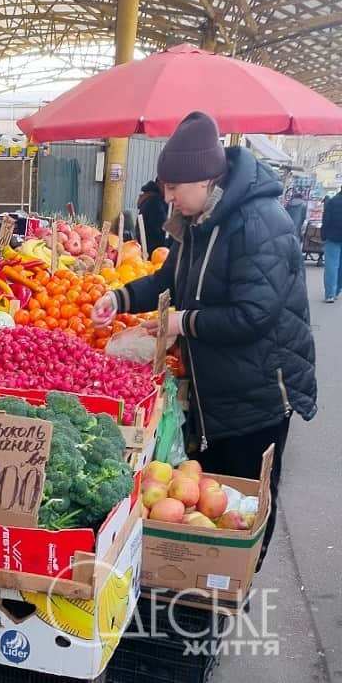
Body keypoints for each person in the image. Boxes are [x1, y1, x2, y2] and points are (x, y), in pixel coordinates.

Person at [92, 111, 317, 566]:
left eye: (174, 188)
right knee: (212, 499)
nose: (168, 198)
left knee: (246, 501)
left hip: (259, 391)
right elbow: (168, 278)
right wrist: (120, 298)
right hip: (219, 384)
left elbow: (254, 315)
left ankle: (238, 580)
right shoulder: (198, 222)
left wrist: (181, 324)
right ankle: (213, 578)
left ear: (204, 178)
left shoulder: (261, 222)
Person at [321, 186, 342, 302]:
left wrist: (323, 235)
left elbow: (326, 219)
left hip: (332, 237)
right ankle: (337, 289)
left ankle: (330, 294)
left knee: (331, 266)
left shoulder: (332, 201)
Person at [137, 178, 169, 251]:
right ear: (160, 183)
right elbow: (161, 231)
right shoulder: (155, 202)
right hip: (152, 251)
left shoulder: (150, 197)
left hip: (145, 246)